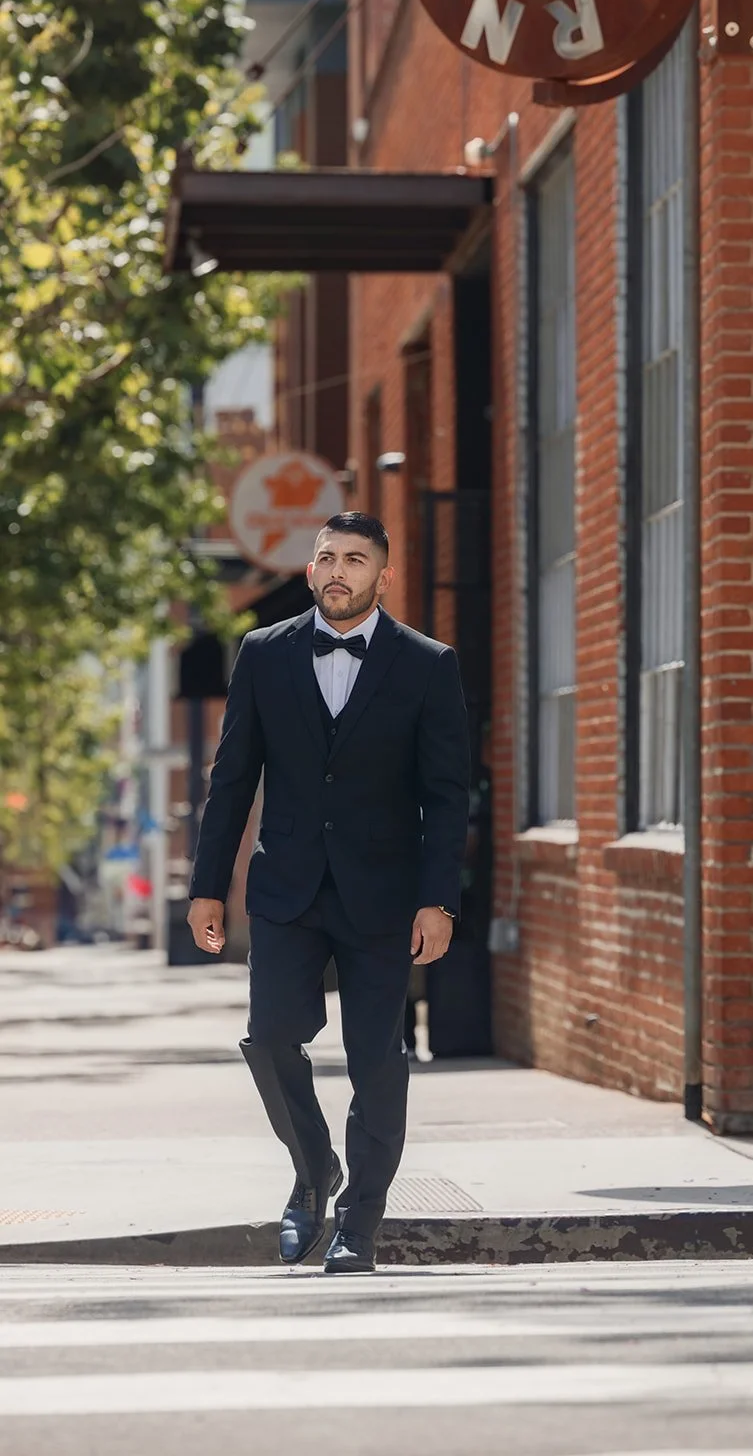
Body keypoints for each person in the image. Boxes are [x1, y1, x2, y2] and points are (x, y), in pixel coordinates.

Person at [186, 512, 470, 1273]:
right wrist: (207, 887)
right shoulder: (265, 654)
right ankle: (314, 1170)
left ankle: (359, 1224)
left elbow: (447, 795)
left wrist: (438, 900)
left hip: (385, 894)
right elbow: (232, 780)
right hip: (286, 888)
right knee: (271, 1037)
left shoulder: (426, 664)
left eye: (355, 558)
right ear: (309, 572)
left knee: (376, 1056)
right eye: (326, 558)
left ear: (382, 573)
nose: (338, 570)